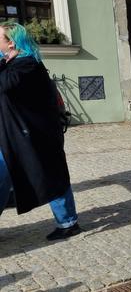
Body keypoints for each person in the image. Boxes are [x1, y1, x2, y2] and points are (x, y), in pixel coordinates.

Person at [0, 22, 80, 241]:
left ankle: (68, 222)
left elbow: (5, 84)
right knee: (3, 176)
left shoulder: (27, 65)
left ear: (11, 43)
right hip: (14, 134)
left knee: (53, 176)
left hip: (38, 135)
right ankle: (68, 221)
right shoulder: (12, 63)